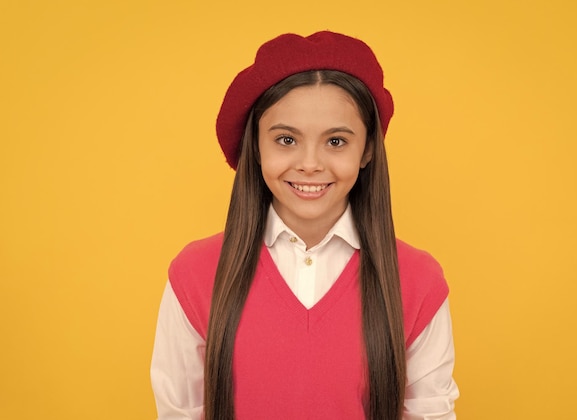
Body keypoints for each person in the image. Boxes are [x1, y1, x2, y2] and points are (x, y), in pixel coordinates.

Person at [151, 31, 459, 420]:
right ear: (256, 146)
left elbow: (429, 412)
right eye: (285, 139)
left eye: (335, 142)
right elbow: (179, 412)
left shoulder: (418, 281)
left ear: (367, 150)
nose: (310, 163)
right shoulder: (194, 275)